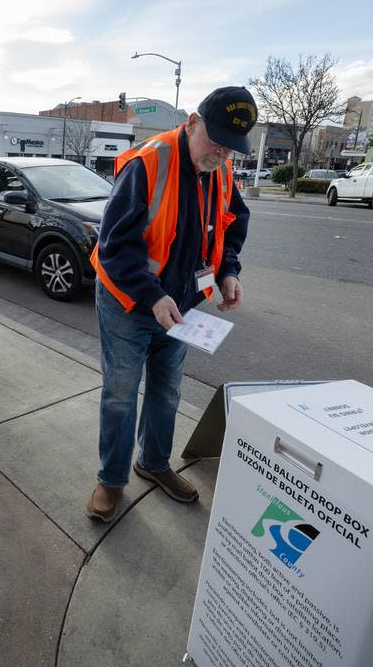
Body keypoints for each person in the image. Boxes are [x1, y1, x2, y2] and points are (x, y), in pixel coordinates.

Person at [85, 87, 255, 522]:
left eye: (230, 146)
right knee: (121, 396)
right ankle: (111, 481)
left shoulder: (220, 170)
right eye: (215, 140)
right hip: (130, 303)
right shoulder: (149, 163)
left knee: (167, 391)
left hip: (181, 306)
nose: (220, 152)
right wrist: (153, 295)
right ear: (193, 121)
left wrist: (228, 272)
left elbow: (230, 226)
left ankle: (154, 463)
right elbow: (114, 248)